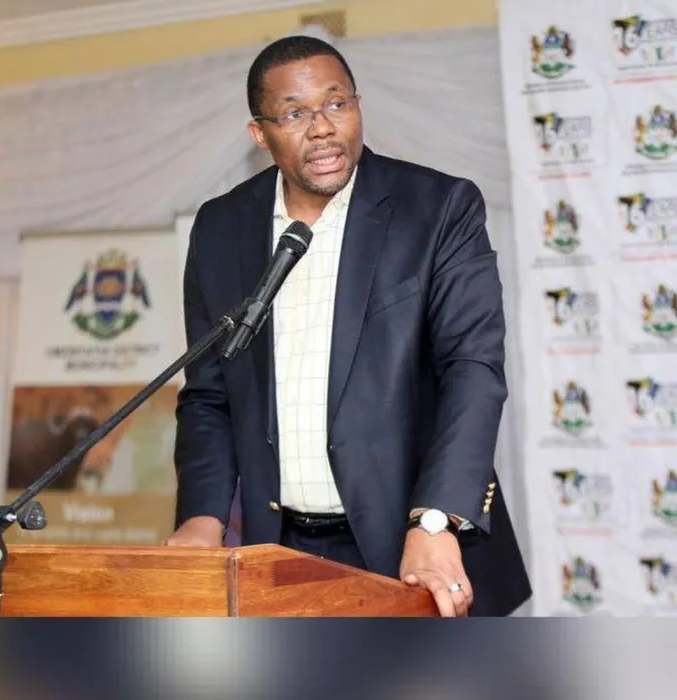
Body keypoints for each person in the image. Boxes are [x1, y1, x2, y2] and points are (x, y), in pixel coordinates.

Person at [165, 34, 532, 617]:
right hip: (277, 547)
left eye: (337, 104)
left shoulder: (437, 208)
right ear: (260, 133)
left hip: (414, 543)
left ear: (358, 106)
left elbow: (471, 370)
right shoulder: (220, 228)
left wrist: (435, 520)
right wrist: (203, 516)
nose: (323, 128)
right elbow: (209, 393)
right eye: (294, 114)